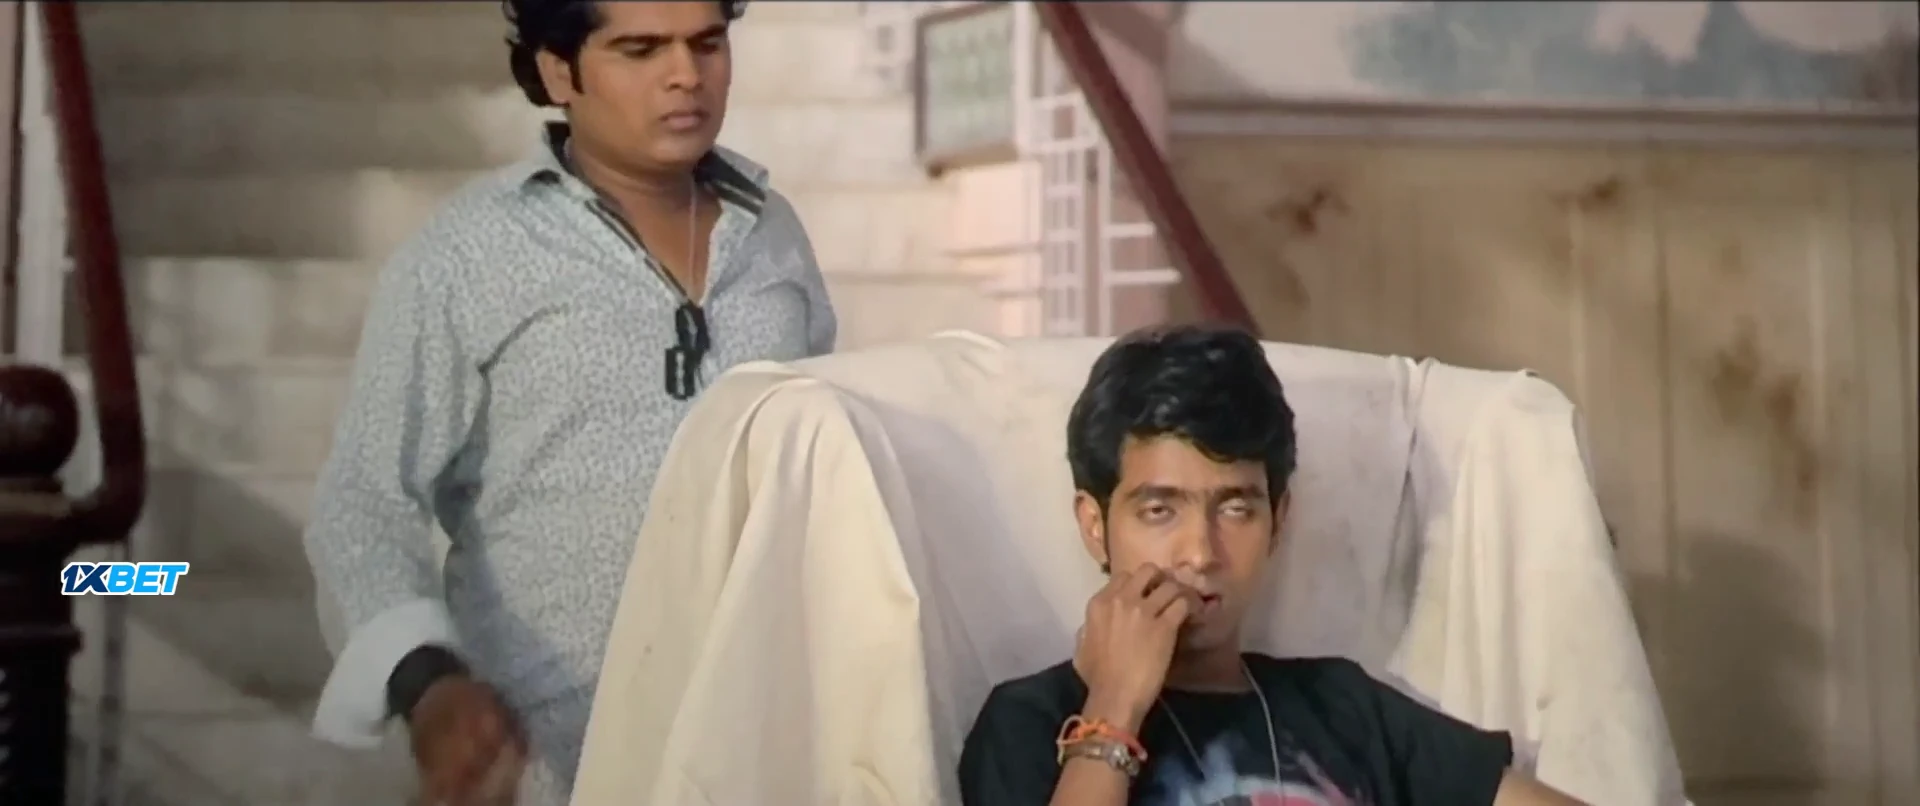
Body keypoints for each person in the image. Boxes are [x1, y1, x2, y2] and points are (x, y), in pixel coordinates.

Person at [301, 1, 836, 804]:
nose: (685, 75)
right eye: (640, 50)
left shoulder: (773, 235)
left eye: (707, 43)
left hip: (763, 750)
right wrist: (429, 684)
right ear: (559, 71)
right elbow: (362, 509)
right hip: (551, 763)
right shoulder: (468, 256)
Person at [957, 326, 1587, 806]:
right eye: (1159, 510)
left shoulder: (1341, 707)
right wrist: (1113, 710)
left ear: (1278, 521)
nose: (1201, 553)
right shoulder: (1032, 720)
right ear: (1095, 525)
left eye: (1236, 508)